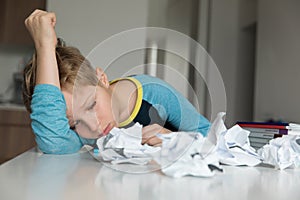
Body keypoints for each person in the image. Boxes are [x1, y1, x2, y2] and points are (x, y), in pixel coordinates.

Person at [23, 9, 211, 154]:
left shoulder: (155, 94)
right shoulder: (87, 132)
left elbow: (211, 135)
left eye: (91, 105)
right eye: (75, 123)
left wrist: (175, 140)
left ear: (102, 78)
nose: (93, 126)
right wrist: (44, 46)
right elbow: (54, 143)